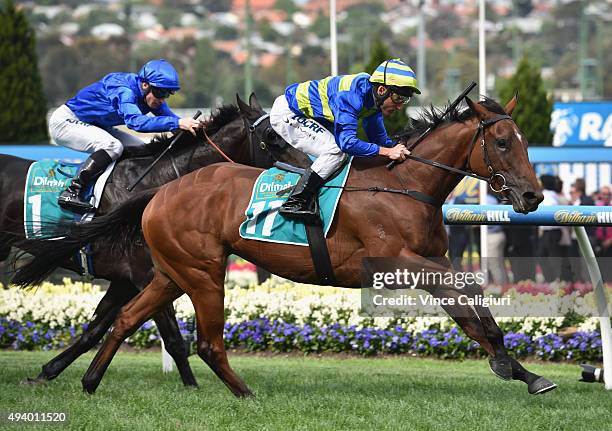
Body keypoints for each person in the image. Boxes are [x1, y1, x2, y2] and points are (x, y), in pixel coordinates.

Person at [269, 58, 419, 221]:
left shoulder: (373, 100)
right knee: (337, 151)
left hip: (309, 116)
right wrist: (388, 151)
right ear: (382, 90)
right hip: (289, 113)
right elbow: (346, 143)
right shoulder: (351, 96)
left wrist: (399, 147)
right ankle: (295, 201)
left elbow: (379, 140)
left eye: (404, 100)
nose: (399, 106)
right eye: (398, 98)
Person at [49, 59, 203, 213]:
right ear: (145, 85)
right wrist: (178, 123)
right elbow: (136, 123)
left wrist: (198, 128)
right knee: (113, 146)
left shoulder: (151, 95)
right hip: (66, 121)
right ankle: (71, 191)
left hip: (96, 125)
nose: (162, 99)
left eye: (166, 94)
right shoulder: (123, 89)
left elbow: (174, 122)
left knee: (142, 149)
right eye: (160, 92)